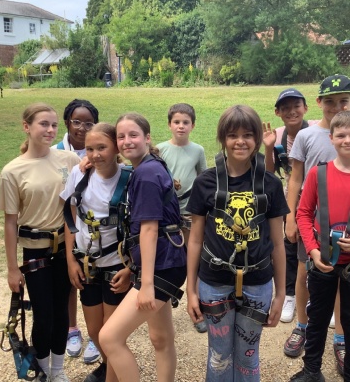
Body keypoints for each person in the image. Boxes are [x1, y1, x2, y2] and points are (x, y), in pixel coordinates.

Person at [186, 105, 289, 381]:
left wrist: (280, 294)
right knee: (219, 354)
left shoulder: (270, 185)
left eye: (247, 135)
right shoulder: (205, 182)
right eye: (232, 135)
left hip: (257, 282)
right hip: (214, 281)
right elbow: (194, 240)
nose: (240, 141)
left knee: (248, 355)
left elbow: (278, 243)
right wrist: (191, 290)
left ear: (257, 138)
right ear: (223, 138)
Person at [98, 113, 187, 382]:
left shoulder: (147, 173)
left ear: (147, 138)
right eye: (121, 137)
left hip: (161, 266)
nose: (126, 141)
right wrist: (133, 270)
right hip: (163, 261)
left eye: (133, 135)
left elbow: (149, 230)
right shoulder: (149, 165)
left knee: (109, 337)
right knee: (160, 337)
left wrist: (146, 284)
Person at [0, 103, 80, 382]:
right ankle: (43, 370)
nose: (50, 130)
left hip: (65, 247)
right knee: (43, 315)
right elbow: (10, 222)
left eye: (54, 125)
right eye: (43, 124)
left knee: (61, 312)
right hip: (35, 250)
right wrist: (12, 269)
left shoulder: (68, 160)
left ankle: (58, 370)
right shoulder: (13, 171)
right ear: (27, 127)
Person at [284, 75, 350, 374]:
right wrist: (291, 216)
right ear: (320, 102)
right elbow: (295, 177)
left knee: (341, 287)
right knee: (305, 275)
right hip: (313, 225)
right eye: (331, 101)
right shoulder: (307, 135)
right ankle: (302, 326)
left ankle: (340, 339)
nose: (337, 107)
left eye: (344, 101)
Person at [61, 122, 132, 382]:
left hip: (116, 263)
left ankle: (114, 375)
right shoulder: (79, 175)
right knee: (94, 330)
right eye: (89, 149)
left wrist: (131, 268)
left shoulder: (130, 178)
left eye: (102, 148)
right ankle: (109, 367)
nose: (95, 154)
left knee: (110, 334)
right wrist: (70, 260)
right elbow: (71, 217)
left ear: (116, 147)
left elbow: (140, 228)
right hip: (87, 263)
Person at [262, 88, 317, 324]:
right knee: (290, 244)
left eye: (296, 106)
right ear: (278, 112)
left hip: (319, 197)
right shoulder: (278, 136)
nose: (292, 111)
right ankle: (290, 295)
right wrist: (268, 148)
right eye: (285, 108)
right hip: (292, 197)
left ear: (306, 108)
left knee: (319, 243)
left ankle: (319, 295)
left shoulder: (316, 129)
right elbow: (269, 173)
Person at [53, 99, 101, 363]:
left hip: (93, 231)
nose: (82, 128)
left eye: (89, 123)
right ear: (67, 123)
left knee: (92, 280)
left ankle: (96, 335)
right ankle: (72, 328)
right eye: (76, 122)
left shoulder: (103, 152)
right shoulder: (55, 153)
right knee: (71, 280)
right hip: (65, 226)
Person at [156, 102, 207, 333]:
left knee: (193, 259)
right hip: (166, 213)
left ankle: (196, 307)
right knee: (168, 257)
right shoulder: (160, 149)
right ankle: (164, 299)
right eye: (176, 122)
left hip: (189, 212)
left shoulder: (198, 150)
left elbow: (203, 179)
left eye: (185, 122)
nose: (181, 126)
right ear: (169, 124)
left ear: (192, 125)